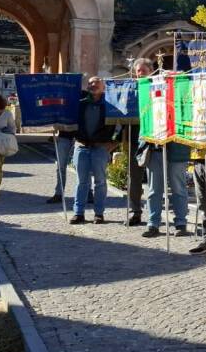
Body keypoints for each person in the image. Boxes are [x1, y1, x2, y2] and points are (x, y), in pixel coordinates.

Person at [69, 77, 120, 224]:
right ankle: (78, 213)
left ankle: (99, 213)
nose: (93, 85)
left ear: (103, 87)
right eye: (90, 83)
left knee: (100, 182)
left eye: (96, 83)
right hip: (82, 146)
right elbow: (69, 120)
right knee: (81, 182)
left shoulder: (110, 105)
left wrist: (114, 142)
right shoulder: (81, 104)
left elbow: (121, 124)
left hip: (100, 148)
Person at [140, 135, 191, 238]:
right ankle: (153, 224)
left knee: (178, 189)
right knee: (154, 190)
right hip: (155, 150)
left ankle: (181, 224)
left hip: (178, 149)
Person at [126, 57, 154, 226]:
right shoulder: (131, 90)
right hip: (135, 138)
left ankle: (154, 215)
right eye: (138, 71)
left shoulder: (159, 87)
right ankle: (134, 211)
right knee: (134, 178)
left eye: (143, 71)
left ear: (151, 71)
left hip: (154, 139)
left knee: (154, 179)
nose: (140, 74)